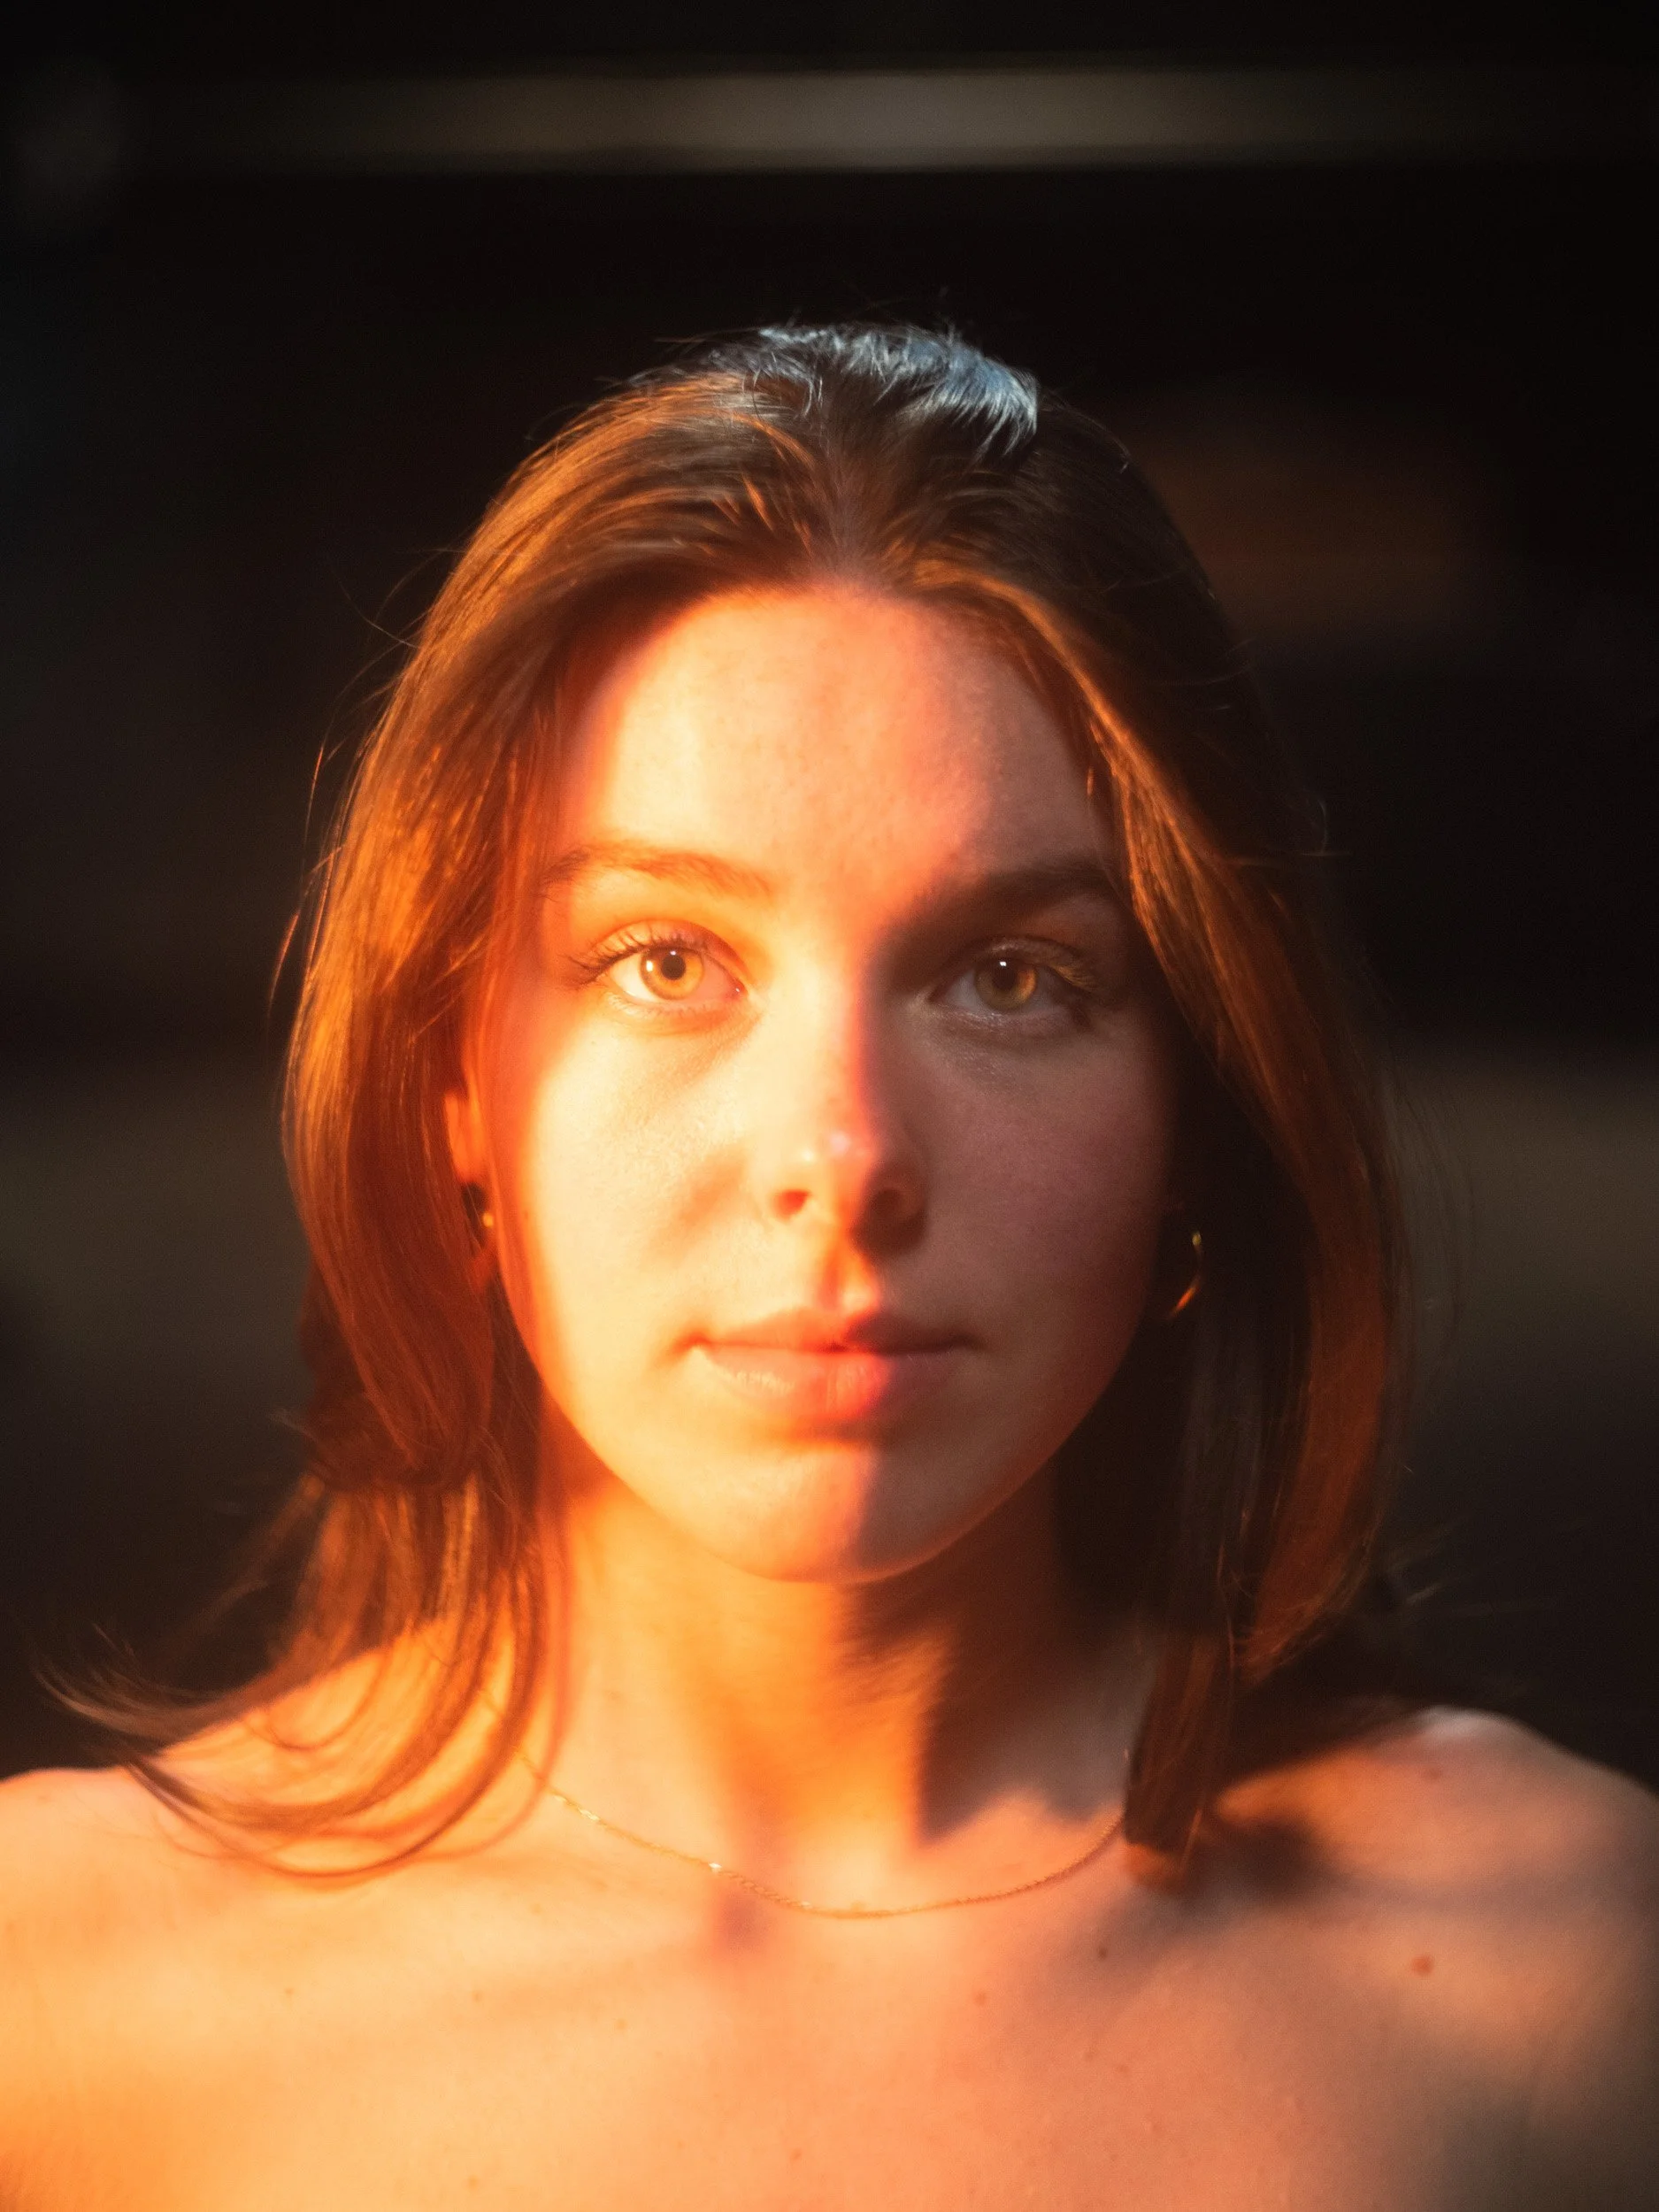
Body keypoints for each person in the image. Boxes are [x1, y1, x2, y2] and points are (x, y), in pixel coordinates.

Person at [1, 324, 1654, 2209]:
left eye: (1011, 976)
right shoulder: (52, 2002)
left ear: (1200, 1088)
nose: (844, 1157)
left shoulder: (1572, 1981)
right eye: (662, 960)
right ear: (450, 1079)